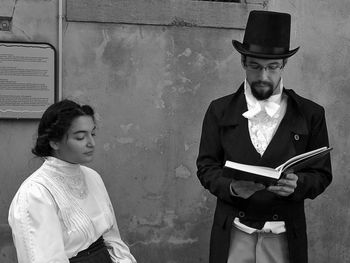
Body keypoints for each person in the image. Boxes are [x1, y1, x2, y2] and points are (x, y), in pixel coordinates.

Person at [196, 10, 332, 263]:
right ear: (243, 63)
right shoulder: (219, 110)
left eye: (272, 68)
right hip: (234, 231)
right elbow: (206, 167)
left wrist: (298, 184)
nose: (263, 77)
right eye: (255, 67)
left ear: (284, 65)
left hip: (284, 234)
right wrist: (232, 187)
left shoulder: (311, 114)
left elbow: (322, 175)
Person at [8, 99, 137, 263]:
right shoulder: (35, 193)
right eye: (80, 137)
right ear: (54, 142)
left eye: (93, 134)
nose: (92, 143)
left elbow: (112, 238)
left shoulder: (92, 176)